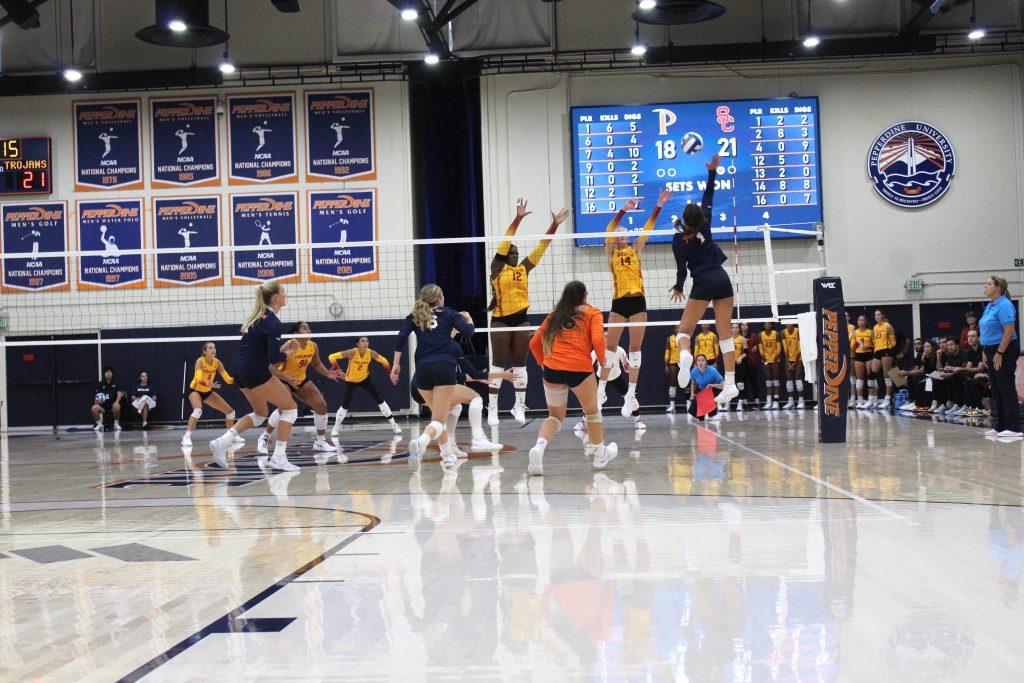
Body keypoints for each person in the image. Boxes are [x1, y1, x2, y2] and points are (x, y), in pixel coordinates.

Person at [487, 200, 569, 426]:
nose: (514, 255)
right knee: (499, 362)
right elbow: (504, 243)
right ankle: (492, 408)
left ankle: (518, 404)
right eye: (511, 253)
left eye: (516, 253)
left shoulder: (524, 268)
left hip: (521, 319)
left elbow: (541, 247)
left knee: (521, 363)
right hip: (501, 320)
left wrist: (554, 225)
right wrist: (518, 219)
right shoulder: (497, 268)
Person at [668, 152, 739, 406]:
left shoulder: (678, 240)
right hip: (722, 278)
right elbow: (709, 196)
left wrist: (678, 286)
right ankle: (730, 384)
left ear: (684, 221)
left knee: (684, 332)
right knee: (726, 336)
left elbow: (682, 270)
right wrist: (711, 171)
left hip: (703, 281)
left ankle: (685, 355)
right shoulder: (705, 223)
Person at [526, 280, 618, 476]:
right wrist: (603, 363)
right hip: (579, 369)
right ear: (584, 296)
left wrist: (543, 362)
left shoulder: (555, 315)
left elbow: (534, 342)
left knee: (554, 417)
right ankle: (600, 454)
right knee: (592, 413)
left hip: (552, 368)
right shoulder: (593, 312)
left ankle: (538, 448)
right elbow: (599, 339)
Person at [209, 282, 302, 471]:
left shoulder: (259, 317)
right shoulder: (273, 322)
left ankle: (222, 442)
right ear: (276, 297)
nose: (286, 295)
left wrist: (284, 349)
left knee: (260, 414)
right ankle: (279, 458)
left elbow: (267, 354)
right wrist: (291, 351)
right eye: (283, 292)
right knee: (291, 409)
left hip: (240, 371)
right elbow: (274, 360)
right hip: (255, 370)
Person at [599, 190, 672, 417]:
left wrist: (659, 205)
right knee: (609, 347)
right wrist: (624, 210)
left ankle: (631, 394)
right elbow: (609, 230)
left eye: (626, 233)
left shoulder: (635, 249)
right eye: (621, 233)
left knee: (634, 348)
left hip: (638, 302)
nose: (624, 234)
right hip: (619, 302)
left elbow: (648, 229)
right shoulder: (611, 252)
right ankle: (601, 390)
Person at [392, 284, 475, 468]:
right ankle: (421, 443)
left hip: (421, 371)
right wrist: (469, 319)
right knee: (439, 419)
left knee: (443, 415)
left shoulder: (416, 314)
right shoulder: (448, 313)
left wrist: (396, 364)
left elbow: (401, 337)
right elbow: (468, 332)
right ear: (439, 299)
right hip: (443, 368)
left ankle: (447, 455)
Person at [257, 322, 342, 456]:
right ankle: (264, 437)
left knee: (321, 405)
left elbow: (317, 363)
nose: (308, 331)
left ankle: (320, 441)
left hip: (300, 380)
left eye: (309, 328)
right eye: (304, 328)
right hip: (283, 379)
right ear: (296, 333)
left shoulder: (313, 346)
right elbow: (271, 367)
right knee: (284, 408)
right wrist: (287, 378)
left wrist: (327, 373)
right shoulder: (289, 345)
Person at [329, 337, 402, 436]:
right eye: (362, 341)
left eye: (367, 341)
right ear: (357, 344)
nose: (365, 343)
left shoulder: (370, 353)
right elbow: (332, 357)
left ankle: (394, 424)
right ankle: (335, 428)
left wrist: (390, 374)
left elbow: (384, 360)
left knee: (379, 399)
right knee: (345, 404)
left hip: (364, 379)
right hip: (351, 380)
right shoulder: (352, 352)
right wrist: (338, 370)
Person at [979, 275, 1021, 438]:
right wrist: (985, 349)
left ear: (998, 287)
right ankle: (1001, 426)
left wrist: (999, 353)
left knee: (1006, 387)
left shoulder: (1005, 305)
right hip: (990, 349)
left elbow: (1009, 331)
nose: (986, 286)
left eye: (989, 284)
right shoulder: (990, 306)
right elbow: (987, 330)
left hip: (1005, 349)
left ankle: (1014, 427)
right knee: (996, 389)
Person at [182, 342, 238, 448]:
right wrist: (209, 384)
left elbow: (228, 379)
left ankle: (231, 435)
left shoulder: (217, 363)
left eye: (214, 348)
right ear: (205, 351)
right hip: (195, 390)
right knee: (198, 410)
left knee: (230, 412)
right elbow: (198, 379)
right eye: (210, 348)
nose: (213, 350)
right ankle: (186, 436)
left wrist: (238, 379)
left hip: (207, 392)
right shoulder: (200, 361)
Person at [579, 346, 645, 431]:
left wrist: (628, 364)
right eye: (605, 337)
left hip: (616, 377)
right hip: (600, 377)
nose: (608, 339)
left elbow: (627, 368)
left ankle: (638, 420)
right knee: (591, 400)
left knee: (631, 398)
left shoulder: (620, 350)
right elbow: (588, 365)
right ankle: (583, 420)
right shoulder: (597, 350)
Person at [897, 340, 938, 412]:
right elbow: (918, 369)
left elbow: (920, 370)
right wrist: (907, 374)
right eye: (915, 344)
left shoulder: (934, 355)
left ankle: (924, 404)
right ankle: (912, 401)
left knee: (920, 378)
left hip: (934, 374)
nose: (925, 348)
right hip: (924, 374)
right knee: (894, 373)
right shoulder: (921, 355)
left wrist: (907, 373)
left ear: (932, 347)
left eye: (919, 344)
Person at [871, 309, 897, 410]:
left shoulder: (888, 326)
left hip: (886, 350)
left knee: (887, 374)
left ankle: (887, 399)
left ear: (882, 316)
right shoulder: (874, 327)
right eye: (875, 315)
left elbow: (893, 341)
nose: (877, 316)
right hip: (877, 351)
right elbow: (875, 340)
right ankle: (873, 398)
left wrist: (888, 347)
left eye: (879, 314)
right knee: (873, 370)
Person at [688, 354, 724, 421]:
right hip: (702, 391)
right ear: (696, 363)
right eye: (698, 360)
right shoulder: (693, 371)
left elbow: (723, 384)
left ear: (706, 362)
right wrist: (692, 393)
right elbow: (693, 383)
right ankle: (702, 413)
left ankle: (713, 413)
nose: (700, 362)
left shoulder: (712, 370)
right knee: (698, 416)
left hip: (713, 390)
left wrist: (713, 385)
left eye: (702, 360)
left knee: (711, 392)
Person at [852, 315, 875, 409]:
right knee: (859, 379)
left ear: (865, 321)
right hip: (858, 355)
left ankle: (871, 400)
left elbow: (876, 345)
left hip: (868, 355)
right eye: (859, 320)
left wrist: (868, 346)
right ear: (857, 322)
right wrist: (856, 343)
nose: (861, 321)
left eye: (863, 320)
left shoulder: (870, 331)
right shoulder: (855, 332)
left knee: (870, 377)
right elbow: (852, 347)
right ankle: (860, 401)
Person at [92, 367, 123, 432]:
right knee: (94, 408)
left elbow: (119, 394)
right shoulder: (100, 384)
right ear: (104, 374)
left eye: (109, 372)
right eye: (106, 372)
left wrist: (117, 402)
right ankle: (99, 425)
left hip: (112, 406)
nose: (108, 373)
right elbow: (96, 398)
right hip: (103, 406)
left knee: (117, 406)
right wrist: (98, 401)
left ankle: (116, 424)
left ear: (112, 374)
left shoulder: (116, 383)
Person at [758, 321, 781, 409]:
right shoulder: (761, 335)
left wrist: (774, 360)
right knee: (768, 380)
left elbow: (779, 349)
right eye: (765, 324)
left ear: (771, 325)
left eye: (769, 324)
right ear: (763, 326)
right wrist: (765, 361)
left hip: (775, 359)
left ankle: (776, 401)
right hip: (765, 359)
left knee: (775, 379)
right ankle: (768, 402)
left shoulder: (776, 334)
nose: (767, 325)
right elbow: (761, 350)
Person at [782, 323, 804, 410]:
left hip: (799, 358)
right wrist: (788, 362)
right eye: (786, 324)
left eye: (789, 323)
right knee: (789, 378)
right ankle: (791, 402)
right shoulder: (783, 332)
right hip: (789, 358)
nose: (788, 325)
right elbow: (785, 349)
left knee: (798, 377)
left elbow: (800, 348)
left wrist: (794, 363)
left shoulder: (798, 331)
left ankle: (801, 401)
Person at [664, 332, 687, 413]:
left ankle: (689, 404)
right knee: (672, 383)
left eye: (679, 327)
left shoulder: (684, 337)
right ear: (674, 329)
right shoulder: (670, 338)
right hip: (673, 363)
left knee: (686, 383)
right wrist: (666, 365)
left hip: (683, 362)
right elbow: (667, 353)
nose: (677, 329)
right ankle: (672, 406)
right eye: (676, 327)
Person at [742, 322, 762, 408]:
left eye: (746, 325)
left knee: (754, 383)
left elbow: (760, 343)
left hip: (752, 362)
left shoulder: (754, 335)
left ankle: (757, 403)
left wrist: (757, 346)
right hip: (742, 363)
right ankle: (744, 403)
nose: (744, 326)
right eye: (742, 325)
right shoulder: (738, 336)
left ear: (748, 326)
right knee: (743, 384)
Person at [730, 323, 747, 411]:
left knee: (740, 384)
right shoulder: (728, 340)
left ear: (739, 329)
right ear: (731, 329)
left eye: (737, 327)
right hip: (730, 364)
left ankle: (740, 403)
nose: (735, 329)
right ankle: (727, 404)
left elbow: (746, 352)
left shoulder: (742, 339)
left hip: (739, 364)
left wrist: (740, 357)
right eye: (733, 327)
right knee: (729, 383)